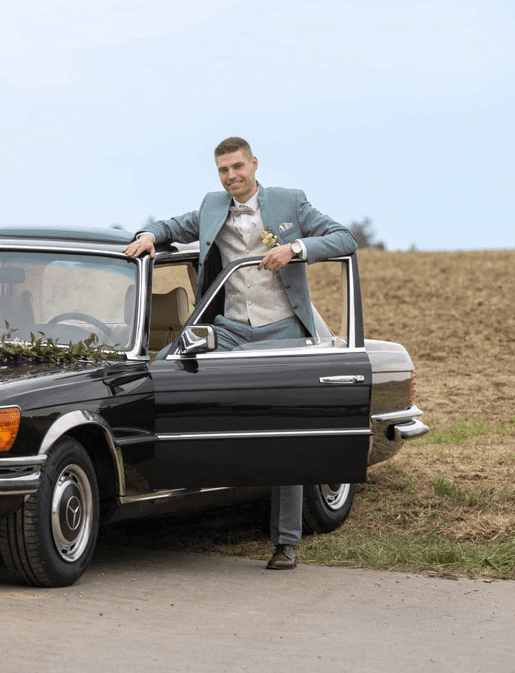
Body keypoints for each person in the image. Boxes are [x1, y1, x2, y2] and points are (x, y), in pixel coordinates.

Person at [123, 136, 357, 570]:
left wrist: (295, 249)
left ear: (254, 164)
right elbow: (176, 225)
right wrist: (150, 235)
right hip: (229, 326)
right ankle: (155, 497)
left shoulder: (289, 203)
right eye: (223, 171)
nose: (231, 177)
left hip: (282, 329)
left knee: (283, 433)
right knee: (160, 372)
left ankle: (287, 542)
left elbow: (344, 238)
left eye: (237, 167)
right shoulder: (213, 205)